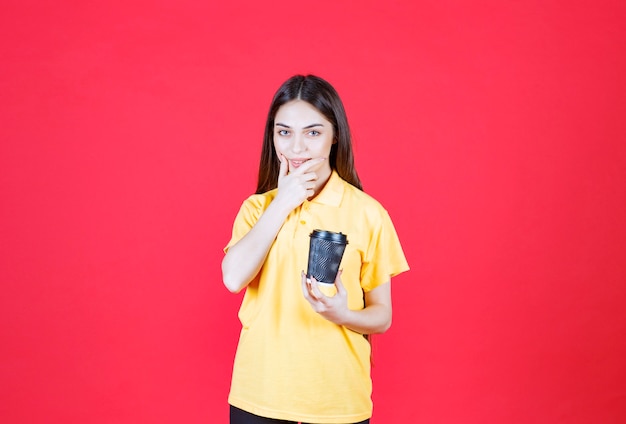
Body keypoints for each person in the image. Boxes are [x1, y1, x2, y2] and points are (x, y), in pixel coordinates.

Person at [222, 74, 409, 424]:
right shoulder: (257, 210)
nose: (295, 148)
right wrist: (282, 203)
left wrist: (343, 315)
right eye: (284, 132)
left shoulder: (368, 213)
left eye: (312, 132)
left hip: (337, 402)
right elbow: (233, 278)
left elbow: (382, 315)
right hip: (259, 397)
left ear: (334, 135)